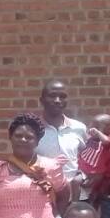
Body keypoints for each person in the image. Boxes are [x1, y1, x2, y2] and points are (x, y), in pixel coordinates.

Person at [36, 79, 88, 207]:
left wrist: (83, 175)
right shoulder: (33, 130)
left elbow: (88, 157)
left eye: (62, 96)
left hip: (76, 197)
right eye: (52, 96)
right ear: (42, 100)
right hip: (44, 196)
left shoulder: (79, 128)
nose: (58, 100)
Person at [78, 113, 110, 197]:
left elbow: (106, 141)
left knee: (93, 191)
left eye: (96, 126)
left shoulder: (108, 141)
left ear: (109, 128)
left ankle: (87, 200)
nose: (92, 129)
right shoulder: (90, 139)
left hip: (95, 173)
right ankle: (75, 202)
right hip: (83, 169)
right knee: (76, 183)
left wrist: (98, 133)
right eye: (91, 126)